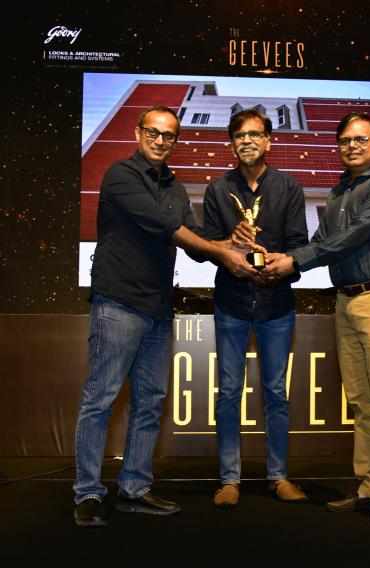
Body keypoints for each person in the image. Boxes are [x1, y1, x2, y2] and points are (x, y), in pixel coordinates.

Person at [73, 105, 261, 527]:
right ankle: (87, 493)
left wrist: (231, 242)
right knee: (100, 399)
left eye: (169, 135)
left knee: (150, 402)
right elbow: (167, 228)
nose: (160, 141)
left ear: (175, 140)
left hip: (158, 308)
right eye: (153, 132)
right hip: (118, 302)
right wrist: (223, 252)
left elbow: (196, 243)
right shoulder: (121, 175)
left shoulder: (174, 187)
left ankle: (134, 488)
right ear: (138, 133)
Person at [261, 112, 370, 524]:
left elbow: (351, 237)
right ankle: (367, 486)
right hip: (347, 301)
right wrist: (282, 260)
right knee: (362, 402)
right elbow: (322, 241)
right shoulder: (338, 191)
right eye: (345, 140)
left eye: (361, 139)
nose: (352, 146)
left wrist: (295, 261)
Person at [202, 108, 309, 508]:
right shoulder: (217, 190)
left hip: (276, 303)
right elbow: (206, 247)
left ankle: (278, 477)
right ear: (232, 143)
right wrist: (230, 246)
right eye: (239, 135)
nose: (246, 140)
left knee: (276, 393)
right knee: (229, 392)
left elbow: (299, 246)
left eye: (254, 134)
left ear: (268, 140)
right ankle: (229, 480)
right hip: (231, 302)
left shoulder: (289, 187)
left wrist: (279, 265)